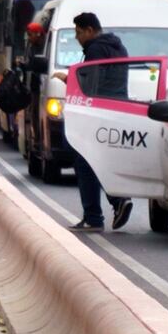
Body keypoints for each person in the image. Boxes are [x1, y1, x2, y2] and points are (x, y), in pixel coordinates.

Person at [53, 12, 133, 232]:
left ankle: (94, 216)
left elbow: (91, 83)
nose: (78, 38)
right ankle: (118, 201)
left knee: (84, 161)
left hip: (97, 112)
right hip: (118, 109)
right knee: (104, 159)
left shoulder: (95, 49)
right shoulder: (118, 47)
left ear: (89, 30)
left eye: (79, 33)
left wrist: (68, 78)